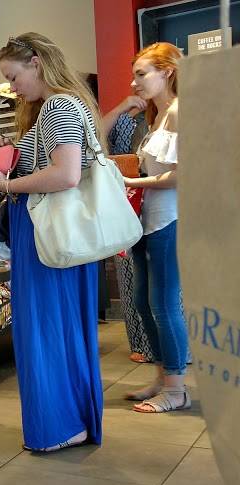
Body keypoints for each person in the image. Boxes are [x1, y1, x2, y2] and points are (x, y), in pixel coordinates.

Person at [0, 33, 104, 452]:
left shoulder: (57, 106)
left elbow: (65, 174)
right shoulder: (63, 106)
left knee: (45, 328)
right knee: (62, 327)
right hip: (52, 233)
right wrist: (14, 152)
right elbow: (57, 164)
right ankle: (71, 420)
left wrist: (6, 184)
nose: (12, 88)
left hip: (44, 235)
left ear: (36, 62)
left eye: (13, 77)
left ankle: (61, 425)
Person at [117, 42, 189, 413]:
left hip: (169, 220)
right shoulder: (155, 116)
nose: (135, 82)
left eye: (141, 74)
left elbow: (182, 174)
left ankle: (176, 389)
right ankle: (162, 379)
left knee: (163, 305)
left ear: (168, 71)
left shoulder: (179, 112)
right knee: (145, 303)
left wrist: (130, 182)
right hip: (146, 221)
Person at [102, 95, 155, 364]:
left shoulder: (173, 115)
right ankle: (143, 345)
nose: (136, 84)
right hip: (128, 204)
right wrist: (123, 107)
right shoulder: (127, 120)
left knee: (164, 283)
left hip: (160, 204)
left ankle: (165, 347)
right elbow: (95, 135)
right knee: (131, 276)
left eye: (142, 76)